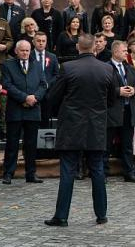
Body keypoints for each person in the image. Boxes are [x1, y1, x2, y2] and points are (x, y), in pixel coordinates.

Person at [44, 34, 119, 226]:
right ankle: (101, 214)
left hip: (71, 126)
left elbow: (54, 96)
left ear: (78, 47)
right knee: (97, 170)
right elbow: (111, 100)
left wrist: (61, 110)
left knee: (68, 171)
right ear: (95, 47)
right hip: (96, 126)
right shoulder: (107, 69)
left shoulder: (68, 68)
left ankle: (61, 216)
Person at [1, 40, 47, 184]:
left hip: (33, 110)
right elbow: (7, 84)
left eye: (27, 50)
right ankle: (8, 173)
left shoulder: (37, 65)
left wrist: (35, 98)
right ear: (16, 51)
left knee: (31, 144)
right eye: (22, 50)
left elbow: (43, 84)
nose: (25, 53)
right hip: (15, 109)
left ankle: (31, 173)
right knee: (12, 143)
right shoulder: (8, 65)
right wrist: (24, 97)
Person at [105, 40, 135, 183]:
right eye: (124, 51)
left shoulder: (129, 67)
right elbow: (102, 88)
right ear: (115, 52)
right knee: (107, 144)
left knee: (127, 145)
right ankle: (103, 172)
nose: (126, 53)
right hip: (113, 112)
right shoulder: (106, 68)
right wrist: (117, 91)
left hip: (128, 111)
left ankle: (129, 172)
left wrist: (134, 90)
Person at [32, 31, 59, 127]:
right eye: (38, 40)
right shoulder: (29, 56)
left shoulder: (52, 57)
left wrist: (47, 84)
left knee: (45, 121)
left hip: (47, 94)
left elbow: (57, 74)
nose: (41, 43)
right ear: (33, 41)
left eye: (43, 41)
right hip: (32, 93)